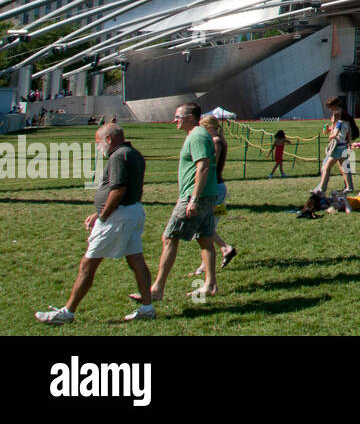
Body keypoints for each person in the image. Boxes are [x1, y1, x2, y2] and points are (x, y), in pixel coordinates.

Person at [36, 124, 154, 325]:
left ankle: (67, 312)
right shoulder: (133, 153)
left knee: (88, 264)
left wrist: (103, 216)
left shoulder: (118, 157)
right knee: (136, 260)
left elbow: (118, 190)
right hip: (132, 212)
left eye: (98, 142)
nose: (98, 147)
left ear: (109, 139)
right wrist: (99, 211)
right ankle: (147, 307)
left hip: (118, 217)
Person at [132, 102, 220, 306]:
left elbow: (204, 167)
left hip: (194, 196)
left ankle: (157, 289)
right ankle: (210, 284)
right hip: (205, 195)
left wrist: (193, 200)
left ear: (190, 117)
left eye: (178, 117)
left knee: (169, 237)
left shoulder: (197, 136)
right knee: (205, 238)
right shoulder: (198, 135)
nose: (175, 120)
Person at [190, 116, 237, 279]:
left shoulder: (216, 142)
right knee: (210, 226)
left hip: (215, 189)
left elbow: (211, 167)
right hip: (220, 189)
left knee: (204, 226)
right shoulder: (220, 140)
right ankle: (208, 262)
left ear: (208, 126)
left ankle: (225, 248)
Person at [317, 97, 357, 194]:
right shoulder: (346, 122)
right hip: (343, 145)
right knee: (345, 168)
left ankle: (321, 189)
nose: (331, 112)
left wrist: (331, 136)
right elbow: (349, 134)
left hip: (337, 146)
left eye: (332, 109)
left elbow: (335, 134)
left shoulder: (339, 121)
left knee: (326, 167)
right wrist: (348, 143)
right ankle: (349, 187)